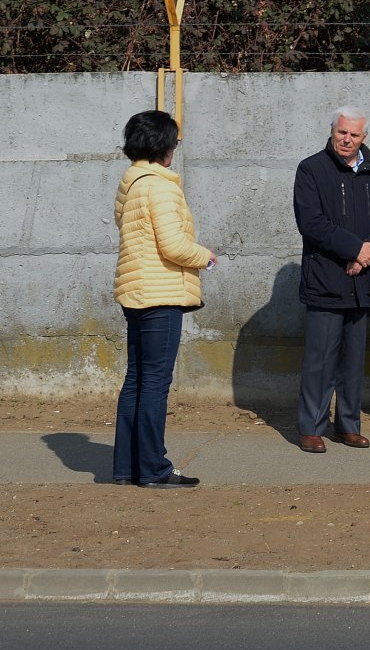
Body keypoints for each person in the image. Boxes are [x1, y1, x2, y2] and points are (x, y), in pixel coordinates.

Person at [111, 109, 214, 488]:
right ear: (165, 146)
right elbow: (172, 245)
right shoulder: (161, 185)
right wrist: (205, 256)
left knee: (137, 379)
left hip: (136, 291)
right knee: (154, 382)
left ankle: (127, 467)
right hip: (161, 292)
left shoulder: (132, 183)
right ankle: (153, 468)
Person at [292, 107, 370, 455]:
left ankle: (349, 425)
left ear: (364, 137)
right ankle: (311, 427)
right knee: (320, 360)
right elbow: (312, 223)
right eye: (342, 132)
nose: (347, 139)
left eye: (354, 135)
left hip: (363, 280)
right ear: (332, 131)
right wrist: (355, 249)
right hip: (327, 279)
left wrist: (369, 254)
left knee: (354, 361)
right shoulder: (311, 169)